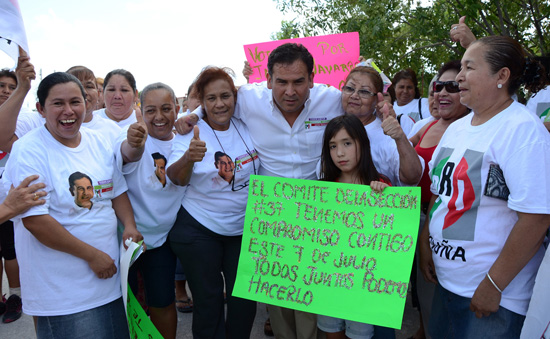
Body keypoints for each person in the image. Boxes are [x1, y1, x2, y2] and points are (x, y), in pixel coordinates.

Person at [418, 36, 550, 338]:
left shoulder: (523, 131)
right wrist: (427, 244)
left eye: (469, 67)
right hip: (447, 287)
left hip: (494, 299)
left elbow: (537, 217)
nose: (458, 77)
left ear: (501, 76)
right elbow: (440, 195)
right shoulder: (456, 129)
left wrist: (494, 284)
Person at [3, 72, 143, 338]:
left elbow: (116, 191)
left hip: (110, 282)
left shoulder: (98, 141)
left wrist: (130, 226)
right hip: (63, 294)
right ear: (41, 109)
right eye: (58, 104)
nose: (68, 111)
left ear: (87, 104)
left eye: (75, 102)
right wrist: (92, 256)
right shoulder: (29, 151)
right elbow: (36, 221)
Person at [167, 67, 259, 338]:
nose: (220, 104)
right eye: (211, 98)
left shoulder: (246, 123)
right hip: (200, 228)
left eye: (225, 96)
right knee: (209, 303)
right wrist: (188, 159)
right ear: (202, 102)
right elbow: (176, 178)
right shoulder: (191, 131)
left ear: (235, 96)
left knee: (244, 302)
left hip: (242, 230)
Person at [116, 82, 186, 339]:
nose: (159, 117)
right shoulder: (130, 136)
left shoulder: (183, 143)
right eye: (151, 110)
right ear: (140, 110)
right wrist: (134, 143)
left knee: (163, 303)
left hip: (163, 241)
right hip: (127, 241)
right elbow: (129, 152)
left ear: (176, 109)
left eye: (166, 108)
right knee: (127, 306)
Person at [317, 114, 389, 339]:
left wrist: (382, 198)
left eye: (347, 143)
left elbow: (390, 238)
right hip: (329, 284)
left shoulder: (381, 185)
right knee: (332, 334)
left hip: (363, 288)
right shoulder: (322, 191)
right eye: (332, 146)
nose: (339, 153)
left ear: (362, 144)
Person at [339, 65, 422, 187]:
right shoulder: (333, 126)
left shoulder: (388, 134)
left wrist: (400, 137)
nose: (354, 95)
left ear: (377, 99)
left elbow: (413, 177)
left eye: (364, 91)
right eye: (350, 88)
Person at [392, 69, 428, 134]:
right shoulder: (390, 107)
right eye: (401, 87)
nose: (405, 91)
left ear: (415, 88)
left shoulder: (424, 104)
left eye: (409, 87)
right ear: (394, 88)